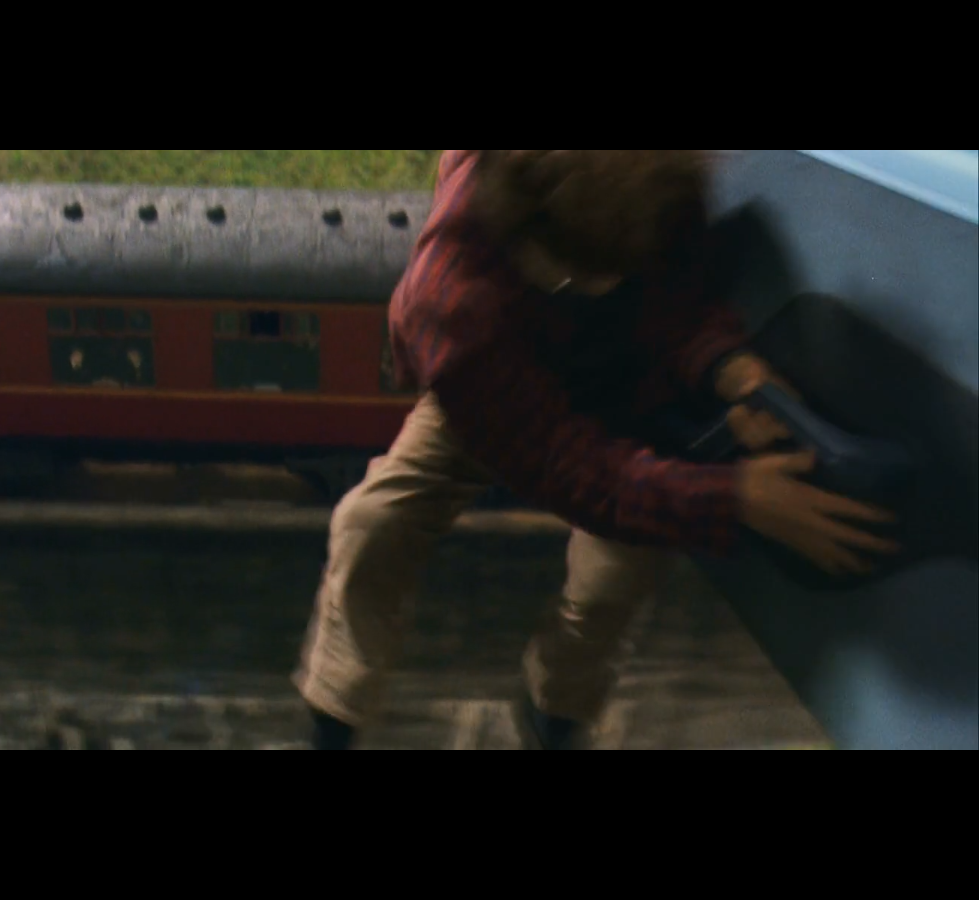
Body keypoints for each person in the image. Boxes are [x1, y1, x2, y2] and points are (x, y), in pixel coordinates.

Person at [294, 150, 900, 751]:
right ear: (527, 234)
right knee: (373, 523)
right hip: (492, 387)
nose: (609, 288)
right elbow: (573, 470)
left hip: (616, 385)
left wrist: (724, 366)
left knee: (615, 577)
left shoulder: (655, 185)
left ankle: (556, 709)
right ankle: (335, 715)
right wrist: (735, 499)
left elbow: (672, 299)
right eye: (584, 277)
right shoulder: (453, 305)